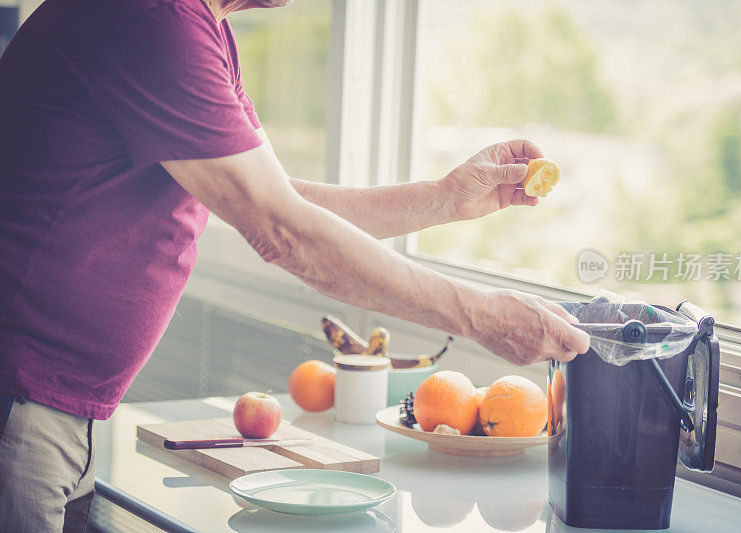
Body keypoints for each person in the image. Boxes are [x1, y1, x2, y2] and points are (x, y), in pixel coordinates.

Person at [0, 0, 590, 530]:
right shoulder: (155, 21)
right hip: (19, 395)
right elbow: (282, 231)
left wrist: (443, 198)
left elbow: (275, 198)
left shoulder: (201, 27)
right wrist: (480, 316)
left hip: (54, 404)